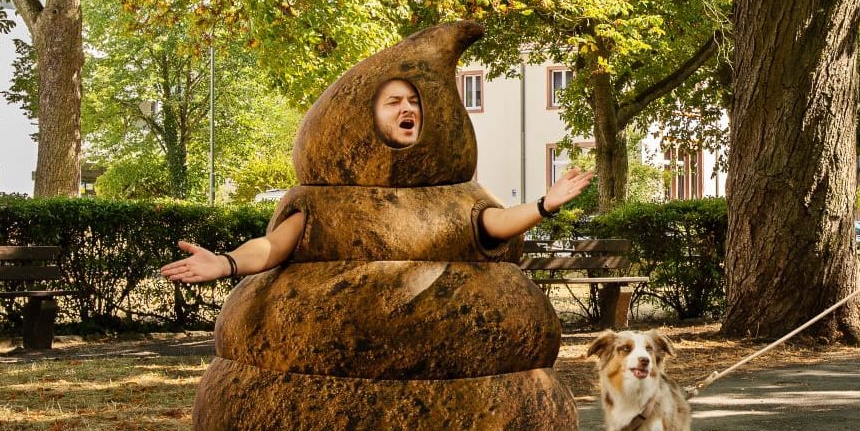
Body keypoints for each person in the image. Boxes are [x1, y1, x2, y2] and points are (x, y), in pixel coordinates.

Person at [160, 77, 595, 284]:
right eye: (394, 102)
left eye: (413, 102)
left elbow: (489, 224)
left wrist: (545, 204)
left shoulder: (453, 191)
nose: (408, 109)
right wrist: (226, 262)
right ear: (369, 117)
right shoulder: (328, 200)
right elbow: (275, 246)